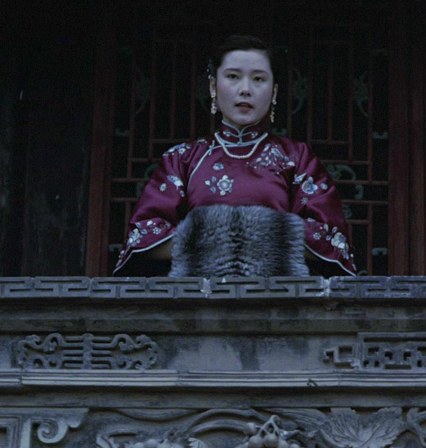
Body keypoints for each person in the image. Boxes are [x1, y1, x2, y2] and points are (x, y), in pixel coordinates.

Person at [114, 35, 357, 277]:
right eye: (233, 77)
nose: (245, 90)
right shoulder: (182, 159)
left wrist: (230, 237)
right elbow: (143, 235)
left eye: (258, 79)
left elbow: (330, 237)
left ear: (274, 92)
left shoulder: (296, 157)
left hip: (278, 296)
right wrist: (238, 240)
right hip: (197, 296)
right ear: (213, 87)